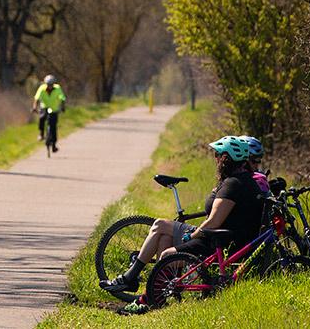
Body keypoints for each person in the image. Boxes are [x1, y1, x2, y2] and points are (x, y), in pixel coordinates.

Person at [102, 135, 265, 306]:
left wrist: (192, 236)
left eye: (217, 155)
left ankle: (144, 293)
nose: (215, 159)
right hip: (221, 237)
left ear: (226, 159)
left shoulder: (233, 184)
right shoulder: (243, 180)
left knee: (165, 253)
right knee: (163, 232)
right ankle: (151, 295)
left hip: (219, 242)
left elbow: (213, 223)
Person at [32, 74, 66, 153]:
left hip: (54, 109)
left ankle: (54, 145)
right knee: (42, 118)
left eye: (51, 85)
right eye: (48, 85)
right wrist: (34, 107)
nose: (50, 87)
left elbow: (62, 98)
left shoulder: (57, 88)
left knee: (53, 127)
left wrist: (62, 107)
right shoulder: (42, 88)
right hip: (44, 107)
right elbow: (37, 98)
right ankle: (41, 133)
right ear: (46, 84)